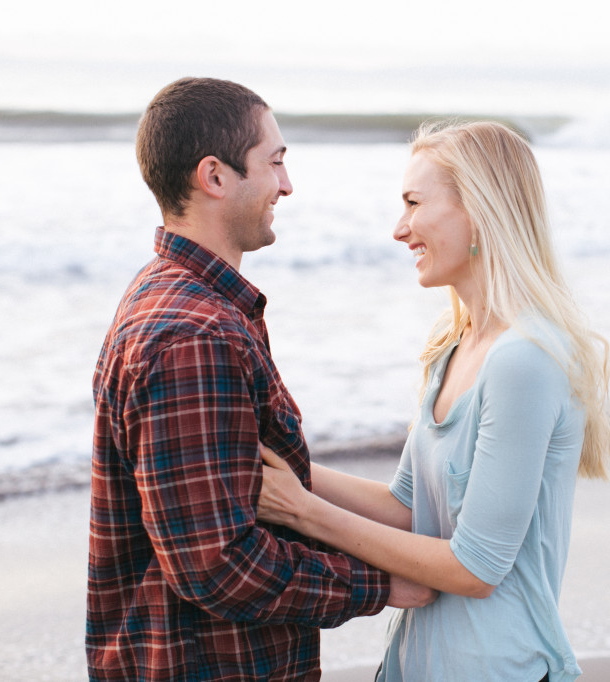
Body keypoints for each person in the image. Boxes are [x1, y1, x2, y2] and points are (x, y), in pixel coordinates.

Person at [87, 77, 433, 682]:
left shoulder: (170, 296)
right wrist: (381, 582)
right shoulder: (196, 336)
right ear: (215, 177)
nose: (287, 185)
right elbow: (217, 566)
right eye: (274, 163)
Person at [257, 120, 610, 681]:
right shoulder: (452, 346)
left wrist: (303, 510)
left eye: (413, 203)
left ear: (478, 211)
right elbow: (407, 508)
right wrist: (284, 467)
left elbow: (477, 567)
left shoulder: (526, 359)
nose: (399, 229)